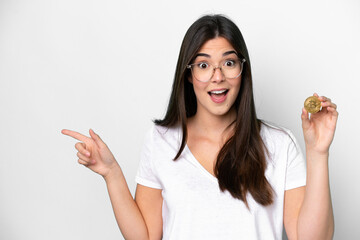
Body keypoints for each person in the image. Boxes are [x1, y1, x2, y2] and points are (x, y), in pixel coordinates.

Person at [62, 14, 338, 240]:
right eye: (204, 65)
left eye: (229, 63)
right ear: (189, 74)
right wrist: (111, 173)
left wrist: (317, 153)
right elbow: (145, 237)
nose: (217, 77)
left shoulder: (278, 144)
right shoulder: (161, 140)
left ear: (243, 71)